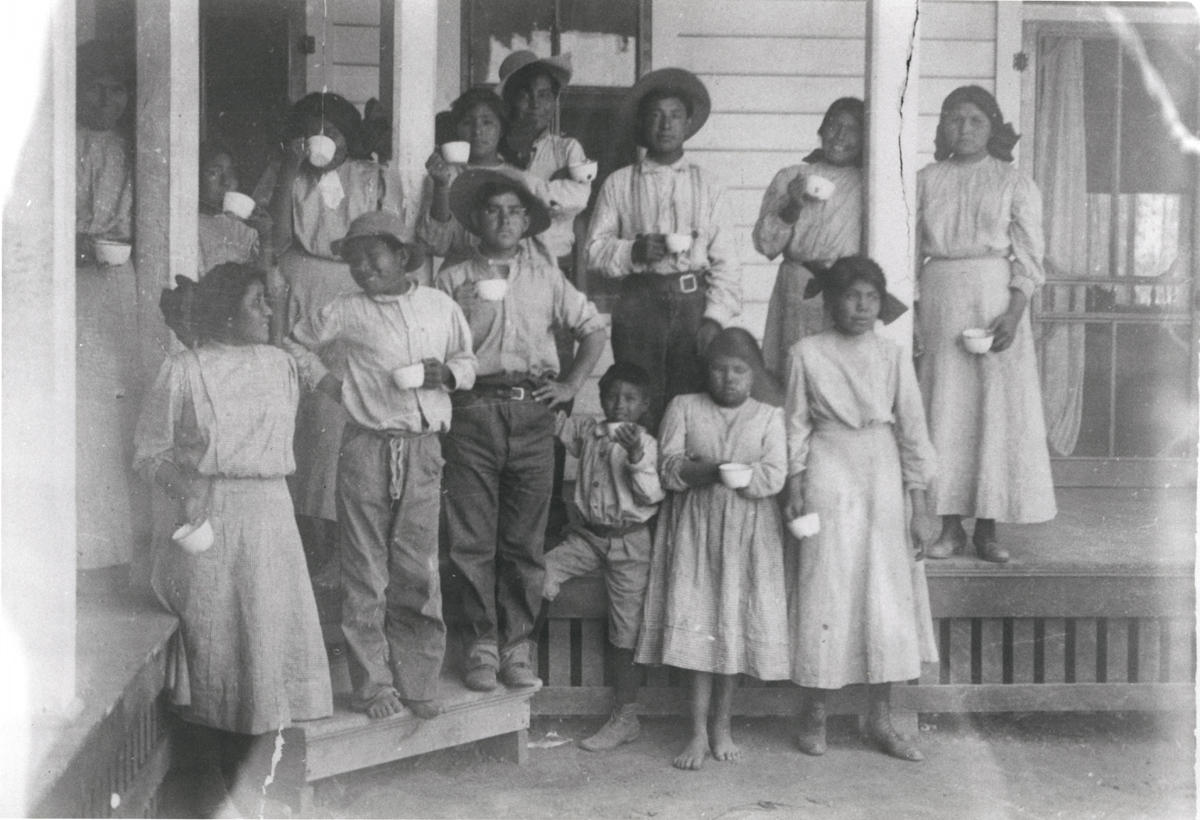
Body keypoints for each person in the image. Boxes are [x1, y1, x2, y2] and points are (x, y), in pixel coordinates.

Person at [135, 263, 333, 813]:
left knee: (267, 654)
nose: (270, 311)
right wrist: (185, 483)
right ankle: (216, 797)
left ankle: (270, 798)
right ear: (225, 309)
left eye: (269, 301)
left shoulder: (282, 366)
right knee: (214, 655)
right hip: (210, 523)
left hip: (271, 517)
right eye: (257, 301)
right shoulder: (183, 371)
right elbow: (148, 454)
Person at [283, 212, 476, 720]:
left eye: (374, 255)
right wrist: (332, 388)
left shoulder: (439, 305)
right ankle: (372, 686)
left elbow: (467, 359)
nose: (363, 267)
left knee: (417, 569)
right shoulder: (347, 310)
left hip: (423, 451)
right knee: (365, 569)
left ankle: (418, 680)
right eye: (353, 258)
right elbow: (295, 343)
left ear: (402, 255)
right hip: (366, 448)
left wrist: (448, 374)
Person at [436, 169, 608, 691]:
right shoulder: (453, 279)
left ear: (528, 221)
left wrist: (571, 384)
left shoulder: (546, 277)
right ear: (476, 220)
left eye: (515, 211)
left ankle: (517, 646)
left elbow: (592, 329)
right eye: (493, 210)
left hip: (532, 415)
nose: (505, 219)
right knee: (471, 537)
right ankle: (481, 644)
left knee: (523, 539)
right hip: (472, 411)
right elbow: (430, 342)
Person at [783, 256, 937, 763]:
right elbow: (796, 426)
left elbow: (913, 431)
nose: (862, 306)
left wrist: (919, 504)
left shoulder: (892, 355)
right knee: (827, 586)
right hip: (830, 469)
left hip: (882, 472)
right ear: (830, 301)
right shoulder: (807, 352)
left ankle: (881, 718)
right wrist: (797, 486)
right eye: (852, 296)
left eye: (871, 297)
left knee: (886, 592)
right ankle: (816, 712)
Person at [256, 92, 406, 562]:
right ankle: (297, 535)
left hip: (350, 288)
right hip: (299, 286)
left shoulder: (371, 175)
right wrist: (288, 167)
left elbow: (390, 235)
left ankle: (337, 539)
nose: (323, 140)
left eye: (334, 130)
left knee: (336, 412)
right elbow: (277, 239)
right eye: (312, 130)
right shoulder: (290, 173)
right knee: (297, 409)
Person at [635, 328, 790, 770]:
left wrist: (738, 477)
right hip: (694, 531)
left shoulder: (768, 416)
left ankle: (723, 724)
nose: (728, 378)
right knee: (699, 623)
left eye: (739, 370)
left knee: (732, 623)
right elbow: (667, 468)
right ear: (707, 371)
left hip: (747, 533)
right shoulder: (684, 407)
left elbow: (774, 475)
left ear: (753, 373)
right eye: (719, 369)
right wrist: (713, 471)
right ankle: (697, 732)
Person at [916, 85, 1056, 563]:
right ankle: (949, 527)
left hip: (995, 297)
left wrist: (1015, 313)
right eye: (955, 119)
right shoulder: (926, 179)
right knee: (947, 409)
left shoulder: (1013, 182)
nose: (965, 129)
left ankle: (988, 529)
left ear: (992, 127)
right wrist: (914, 315)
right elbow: (907, 253)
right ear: (943, 127)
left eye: (975, 120)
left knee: (993, 412)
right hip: (941, 296)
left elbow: (1030, 258)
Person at [585, 68, 742, 431]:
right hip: (639, 305)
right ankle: (639, 483)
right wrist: (633, 252)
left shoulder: (709, 185)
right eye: (656, 115)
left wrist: (713, 317)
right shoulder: (620, 183)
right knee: (640, 400)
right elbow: (593, 251)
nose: (666, 125)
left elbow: (726, 261)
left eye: (674, 116)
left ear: (688, 124)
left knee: (690, 402)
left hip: (693, 305)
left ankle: (680, 484)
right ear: (642, 123)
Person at [494, 50, 596, 543]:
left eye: (544, 95)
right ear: (509, 96)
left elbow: (575, 197)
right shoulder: (492, 141)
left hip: (549, 279)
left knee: (549, 397)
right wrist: (541, 189)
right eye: (525, 93)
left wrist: (519, 183)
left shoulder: (566, 147)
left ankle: (545, 522)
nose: (534, 103)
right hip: (497, 271)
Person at [541, 362, 664, 751]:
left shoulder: (645, 444)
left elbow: (650, 496)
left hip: (630, 543)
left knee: (626, 629)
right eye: (612, 395)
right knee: (539, 573)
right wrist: (549, 397)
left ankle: (625, 716)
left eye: (630, 398)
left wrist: (634, 455)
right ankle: (524, 657)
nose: (619, 404)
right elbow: (559, 428)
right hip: (589, 538)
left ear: (644, 405)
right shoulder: (590, 429)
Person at [75, 39, 141, 569]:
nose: (106, 99)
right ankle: (79, 548)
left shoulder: (131, 147)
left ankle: (117, 548)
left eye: (116, 89)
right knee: (80, 409)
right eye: (95, 87)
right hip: (69, 283)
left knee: (117, 405)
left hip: (117, 285)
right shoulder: (57, 142)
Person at [753, 97, 865, 381]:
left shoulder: (869, 182)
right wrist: (792, 204)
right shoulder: (792, 176)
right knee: (794, 373)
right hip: (798, 284)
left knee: (839, 376)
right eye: (833, 125)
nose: (840, 136)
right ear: (822, 130)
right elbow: (766, 246)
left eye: (852, 129)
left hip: (844, 288)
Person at [419, 88, 571, 268]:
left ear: (501, 129)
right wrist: (441, 187)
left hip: (511, 277)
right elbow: (434, 245)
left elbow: (543, 248)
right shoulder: (445, 176)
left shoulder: (522, 180)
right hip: (459, 279)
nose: (477, 131)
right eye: (468, 122)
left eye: (487, 122)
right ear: (457, 128)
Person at [197, 140, 271, 278]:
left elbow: (265, 276)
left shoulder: (244, 228)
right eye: (214, 172)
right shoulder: (191, 226)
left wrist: (265, 235)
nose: (226, 182)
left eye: (231, 173)